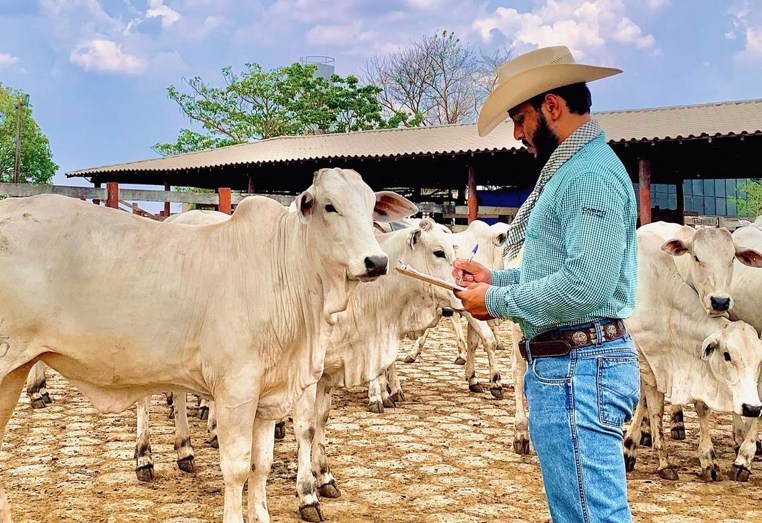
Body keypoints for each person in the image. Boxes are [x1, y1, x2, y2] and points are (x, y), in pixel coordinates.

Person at [453, 45, 640, 523]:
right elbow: (563, 274)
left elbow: (586, 288)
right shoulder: (575, 170)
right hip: (573, 364)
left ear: (551, 107)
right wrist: (497, 278)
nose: (516, 134)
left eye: (519, 118)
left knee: (591, 516)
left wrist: (496, 299)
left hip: (579, 365)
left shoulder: (589, 175)